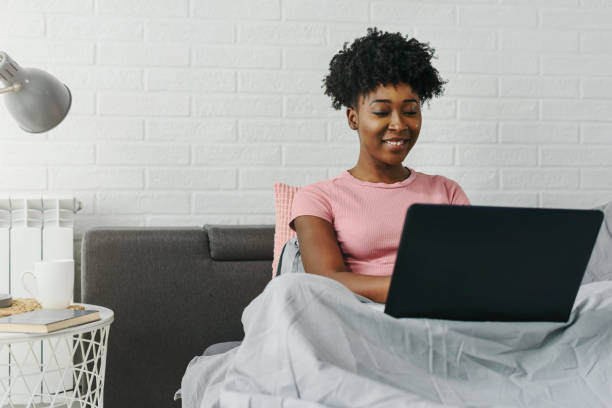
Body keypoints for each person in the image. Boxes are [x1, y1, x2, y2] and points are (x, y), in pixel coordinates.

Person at [289, 27, 471, 304]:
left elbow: (471, 271)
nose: (399, 124)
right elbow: (325, 280)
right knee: (286, 293)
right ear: (353, 119)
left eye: (411, 111)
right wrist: (414, 288)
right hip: (354, 319)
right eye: (381, 112)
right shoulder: (318, 197)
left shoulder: (446, 191)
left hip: (434, 316)